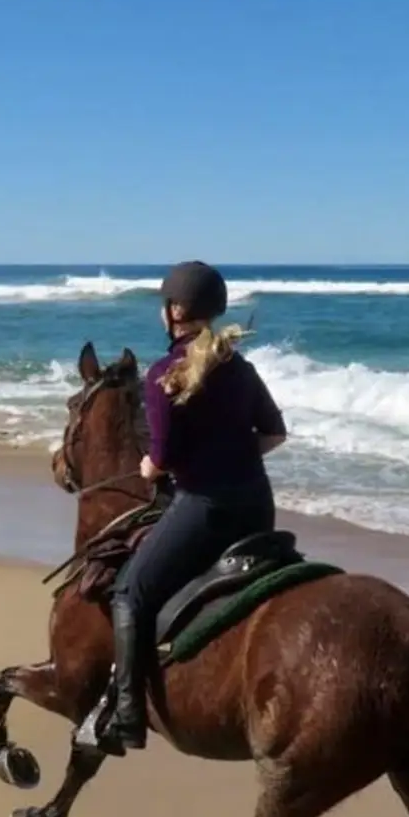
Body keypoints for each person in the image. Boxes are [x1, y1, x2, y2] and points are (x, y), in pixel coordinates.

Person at [76, 260, 288, 756]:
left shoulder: (162, 376)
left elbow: (162, 460)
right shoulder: (240, 367)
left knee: (131, 590)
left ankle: (127, 713)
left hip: (206, 511)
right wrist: (231, 452)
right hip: (258, 509)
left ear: (174, 311)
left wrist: (152, 467)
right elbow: (274, 435)